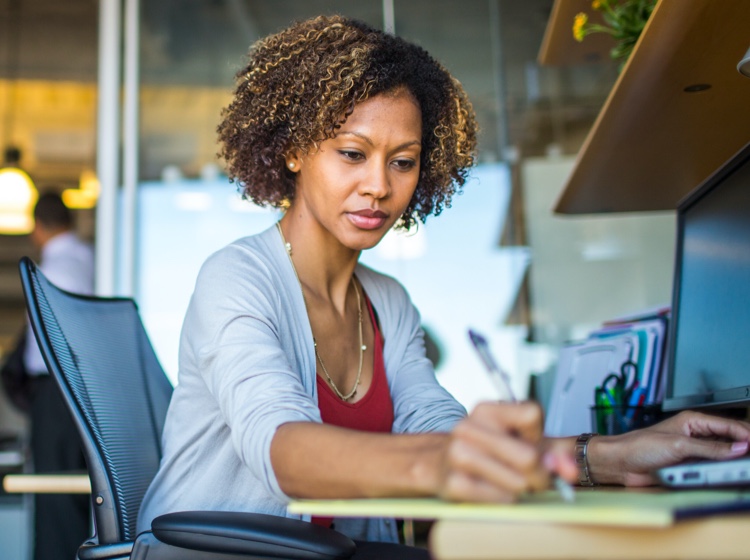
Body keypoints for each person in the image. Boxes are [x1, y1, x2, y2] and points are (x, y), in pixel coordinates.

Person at [138, 15, 750, 557]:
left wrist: (614, 454)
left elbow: (433, 424)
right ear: (296, 150)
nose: (379, 185)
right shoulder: (236, 278)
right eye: (353, 153)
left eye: (402, 162)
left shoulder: (388, 302)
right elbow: (282, 449)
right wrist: (445, 463)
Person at [24, 191, 94, 560]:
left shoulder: (52, 270)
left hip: (57, 390)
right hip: (85, 391)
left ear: (38, 227)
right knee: (76, 494)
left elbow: (54, 346)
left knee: (53, 498)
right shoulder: (90, 258)